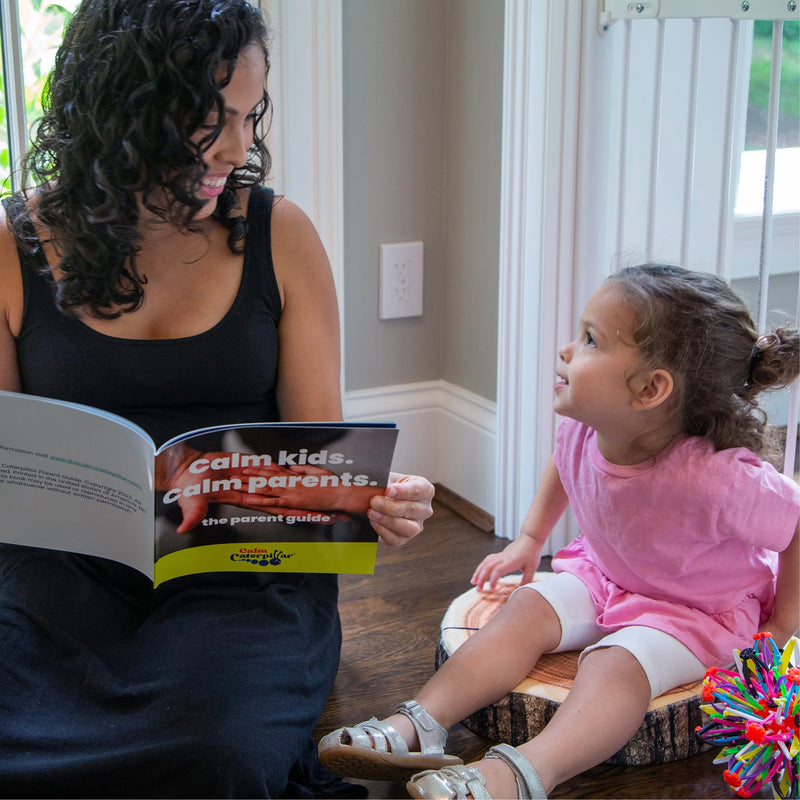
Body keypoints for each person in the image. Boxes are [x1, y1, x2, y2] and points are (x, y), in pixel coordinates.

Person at [0, 1, 434, 797]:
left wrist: (373, 499)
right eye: (210, 120)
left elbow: (321, 455)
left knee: (217, 754)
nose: (238, 150)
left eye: (247, 117)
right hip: (58, 580)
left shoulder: (281, 236)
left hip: (245, 571)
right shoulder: (12, 245)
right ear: (121, 107)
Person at [318, 264, 800, 800]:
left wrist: (784, 623)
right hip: (607, 575)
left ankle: (525, 773)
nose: (568, 350)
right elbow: (564, 466)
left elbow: (797, 521)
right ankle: (420, 726)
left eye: (590, 339)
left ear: (650, 389)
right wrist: (529, 538)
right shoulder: (585, 427)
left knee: (616, 664)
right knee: (523, 609)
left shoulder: (720, 478)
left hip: (696, 611)